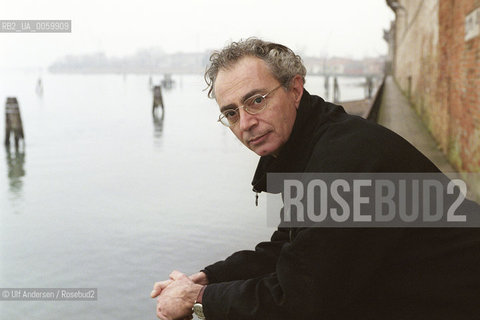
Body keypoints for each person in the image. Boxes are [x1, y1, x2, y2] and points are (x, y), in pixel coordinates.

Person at [150, 38, 480, 320]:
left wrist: (197, 299)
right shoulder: (311, 143)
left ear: (294, 89)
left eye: (257, 100)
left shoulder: (342, 163)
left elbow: (298, 297)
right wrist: (207, 279)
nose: (246, 122)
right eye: (232, 113)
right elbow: (288, 247)